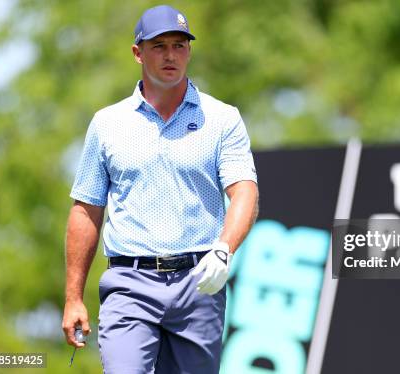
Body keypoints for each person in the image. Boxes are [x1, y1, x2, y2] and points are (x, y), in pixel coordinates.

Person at [61, 4, 259, 373]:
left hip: (199, 282)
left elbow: (244, 191)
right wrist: (74, 297)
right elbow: (86, 210)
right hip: (129, 283)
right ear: (138, 53)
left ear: (189, 50)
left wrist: (224, 250)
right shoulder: (108, 124)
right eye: (159, 46)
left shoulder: (221, 118)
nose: (171, 55)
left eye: (180, 45)